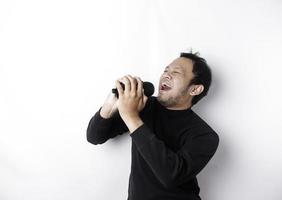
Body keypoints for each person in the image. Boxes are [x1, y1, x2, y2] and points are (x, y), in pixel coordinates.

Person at [86, 51, 219, 200]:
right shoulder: (144, 106)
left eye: (176, 72)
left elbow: (170, 176)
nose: (166, 75)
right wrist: (111, 102)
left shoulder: (205, 135)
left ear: (194, 89)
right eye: (166, 70)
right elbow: (94, 136)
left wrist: (131, 116)